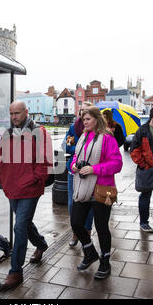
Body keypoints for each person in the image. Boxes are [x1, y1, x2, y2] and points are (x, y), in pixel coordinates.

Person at [0, 100, 53, 291]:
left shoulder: (39, 132)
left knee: (19, 226)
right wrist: (4, 180)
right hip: (12, 188)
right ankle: (41, 244)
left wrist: (35, 179)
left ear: (26, 112)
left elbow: (45, 161)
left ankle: (15, 272)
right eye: (11, 114)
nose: (14, 117)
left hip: (30, 189)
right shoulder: (8, 133)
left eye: (17, 113)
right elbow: (0, 160)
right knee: (25, 223)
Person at [70, 106, 123, 279]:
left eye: (88, 119)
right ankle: (90, 252)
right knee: (76, 223)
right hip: (82, 188)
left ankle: (105, 262)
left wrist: (94, 169)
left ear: (97, 119)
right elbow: (75, 159)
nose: (84, 122)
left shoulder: (107, 138)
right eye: (83, 120)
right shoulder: (83, 137)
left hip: (102, 189)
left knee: (101, 227)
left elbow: (117, 164)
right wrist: (74, 166)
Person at [64, 102, 94, 247]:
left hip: (90, 172)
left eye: (86, 111)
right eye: (81, 111)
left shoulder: (98, 132)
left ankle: (87, 232)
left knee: (87, 203)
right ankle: (76, 232)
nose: (83, 114)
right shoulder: (73, 127)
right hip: (73, 170)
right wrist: (80, 148)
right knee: (72, 203)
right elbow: (67, 147)